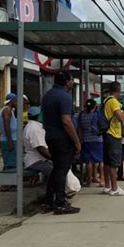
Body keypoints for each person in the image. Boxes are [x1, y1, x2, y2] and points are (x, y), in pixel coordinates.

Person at [41, 72, 81, 214]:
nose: (72, 83)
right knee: (62, 170)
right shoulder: (64, 96)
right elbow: (66, 121)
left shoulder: (47, 96)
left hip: (50, 136)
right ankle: (60, 203)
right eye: (71, 81)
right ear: (67, 82)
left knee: (57, 169)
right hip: (62, 138)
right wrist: (76, 142)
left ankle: (49, 201)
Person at [101, 81, 124, 196]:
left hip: (107, 133)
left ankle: (107, 186)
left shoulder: (106, 100)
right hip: (114, 134)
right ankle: (115, 188)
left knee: (107, 162)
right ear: (118, 90)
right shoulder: (113, 102)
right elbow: (121, 117)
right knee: (114, 163)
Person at [78, 99, 104, 187]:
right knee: (100, 160)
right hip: (98, 139)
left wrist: (80, 138)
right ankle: (101, 180)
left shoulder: (82, 114)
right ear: (95, 106)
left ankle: (89, 181)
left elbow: (80, 127)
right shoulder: (98, 114)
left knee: (88, 161)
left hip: (86, 140)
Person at [23, 106, 53, 179]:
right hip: (35, 161)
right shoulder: (34, 128)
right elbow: (41, 148)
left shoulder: (32, 126)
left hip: (37, 159)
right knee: (55, 170)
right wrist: (53, 158)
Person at [0, 93, 18, 174]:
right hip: (9, 140)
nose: (17, 103)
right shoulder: (7, 110)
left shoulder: (9, 110)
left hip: (11, 139)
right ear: (12, 101)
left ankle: (7, 183)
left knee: (11, 162)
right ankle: (5, 184)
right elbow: (7, 126)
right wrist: (10, 141)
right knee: (10, 165)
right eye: (16, 101)